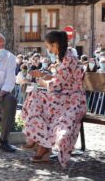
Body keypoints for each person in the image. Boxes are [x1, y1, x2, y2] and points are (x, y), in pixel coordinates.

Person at [21, 31, 86, 168]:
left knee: (39, 99)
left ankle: (37, 140)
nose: (48, 49)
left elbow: (57, 83)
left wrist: (42, 81)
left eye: (48, 46)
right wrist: (45, 75)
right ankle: (38, 140)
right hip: (63, 97)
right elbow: (61, 79)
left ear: (55, 45)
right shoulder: (65, 56)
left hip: (72, 100)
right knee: (36, 97)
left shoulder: (69, 59)